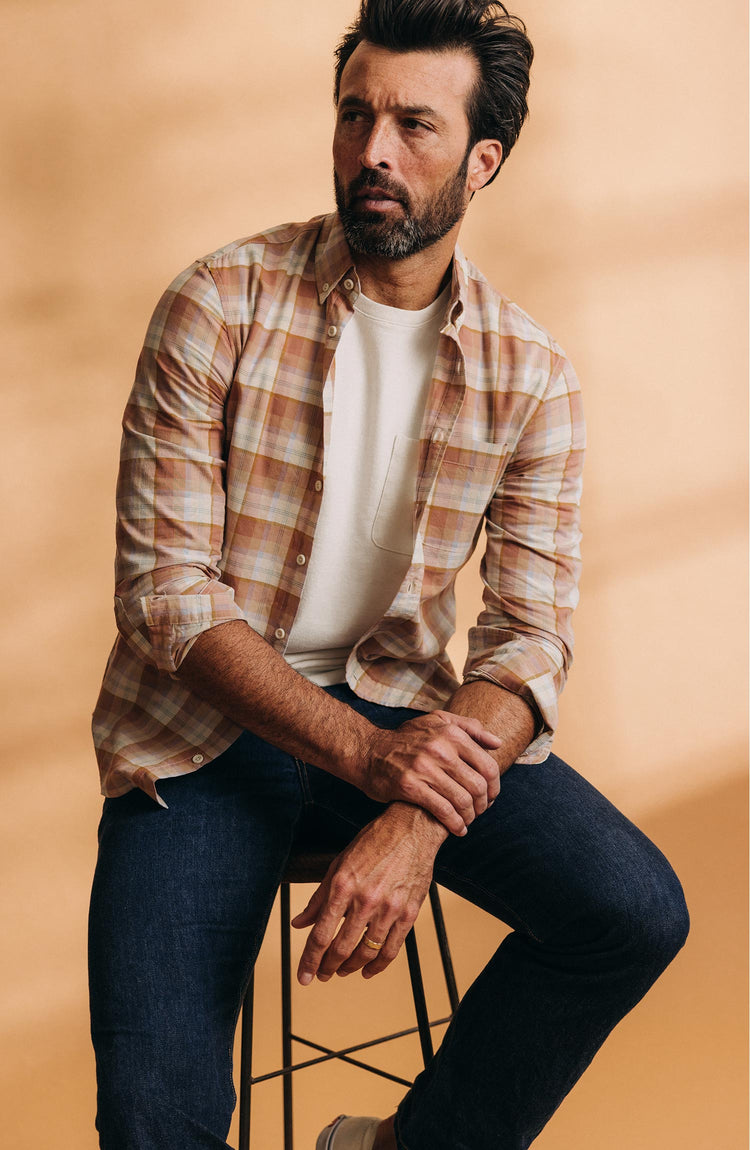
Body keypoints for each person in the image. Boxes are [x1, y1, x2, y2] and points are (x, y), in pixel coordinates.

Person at [88, 2, 689, 1147]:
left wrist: (415, 810)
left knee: (633, 911)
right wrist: (373, 757)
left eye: (414, 124)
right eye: (356, 114)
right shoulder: (217, 305)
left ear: (482, 160)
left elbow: (527, 641)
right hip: (201, 736)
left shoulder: (533, 375)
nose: (372, 149)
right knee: (155, 1121)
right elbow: (167, 593)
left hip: (405, 720)